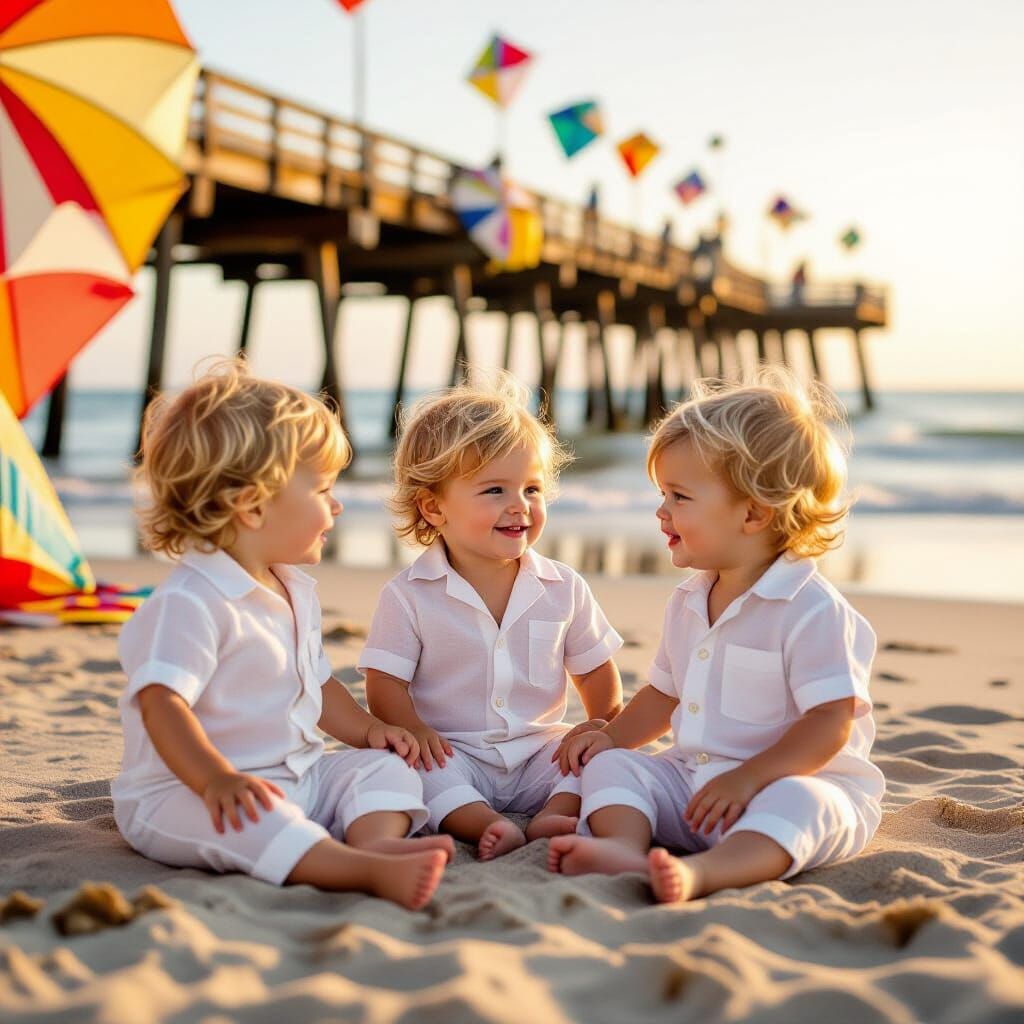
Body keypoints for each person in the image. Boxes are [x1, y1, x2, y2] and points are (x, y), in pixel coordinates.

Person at [111, 360, 449, 910]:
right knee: (253, 822)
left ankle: (379, 843)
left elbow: (318, 687)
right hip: (187, 793)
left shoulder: (292, 588)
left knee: (382, 767)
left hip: (297, 775)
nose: (336, 504)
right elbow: (161, 703)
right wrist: (216, 780)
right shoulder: (189, 601)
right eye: (321, 489)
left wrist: (368, 732)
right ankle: (351, 868)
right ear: (252, 505)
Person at [548, 370, 885, 902]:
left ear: (753, 512)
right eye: (662, 494)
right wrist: (610, 737)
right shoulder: (687, 600)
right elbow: (664, 694)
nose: (661, 511)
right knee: (615, 767)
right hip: (695, 785)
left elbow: (830, 724)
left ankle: (704, 874)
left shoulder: (811, 609)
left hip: (777, 786)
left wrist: (749, 779)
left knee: (807, 805)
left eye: (679, 496)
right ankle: (624, 849)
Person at [360, 374, 624, 860]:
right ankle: (483, 821)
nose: (519, 507)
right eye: (494, 491)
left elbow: (594, 671)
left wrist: (601, 722)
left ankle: (551, 813)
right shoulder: (409, 594)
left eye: (532, 489)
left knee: (602, 758)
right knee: (406, 765)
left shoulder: (563, 587)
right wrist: (415, 730)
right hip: (453, 751)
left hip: (539, 751)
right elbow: (384, 685)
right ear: (434, 507)